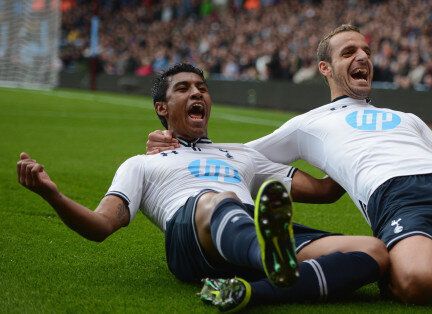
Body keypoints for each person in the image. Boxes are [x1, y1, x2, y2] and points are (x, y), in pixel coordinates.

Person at [147, 25, 432, 304]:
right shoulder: (308, 124)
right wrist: (176, 145)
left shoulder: (407, 119)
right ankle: (413, 258)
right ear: (326, 67)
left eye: (366, 50)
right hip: (400, 198)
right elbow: (239, 155)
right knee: (419, 286)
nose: (362, 57)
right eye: (348, 52)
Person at [17, 63, 388, 312]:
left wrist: (351, 142)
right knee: (217, 200)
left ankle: (249, 290)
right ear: (163, 108)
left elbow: (324, 191)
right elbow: (101, 226)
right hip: (190, 235)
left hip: (249, 229)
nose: (197, 93)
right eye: (183, 89)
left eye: (202, 88)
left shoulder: (244, 155)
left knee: (372, 252)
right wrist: (53, 195)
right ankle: (270, 258)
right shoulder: (142, 163)